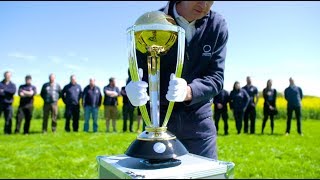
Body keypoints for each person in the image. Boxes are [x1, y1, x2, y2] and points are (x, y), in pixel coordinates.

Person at [125, 1, 228, 159]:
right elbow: (137, 69)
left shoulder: (216, 25)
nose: (204, 4)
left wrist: (189, 91)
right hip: (159, 121)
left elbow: (216, 77)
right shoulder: (151, 23)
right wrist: (132, 86)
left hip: (199, 123)